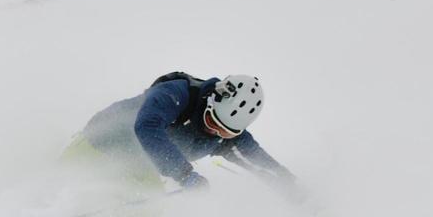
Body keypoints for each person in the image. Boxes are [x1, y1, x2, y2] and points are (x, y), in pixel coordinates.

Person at [65, 71, 299, 197]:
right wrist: (184, 174)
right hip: (100, 142)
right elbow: (147, 126)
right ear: (210, 102)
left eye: (224, 132)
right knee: (62, 180)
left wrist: (301, 196)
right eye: (211, 121)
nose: (213, 132)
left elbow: (263, 166)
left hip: (136, 168)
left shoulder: (224, 138)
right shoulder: (177, 94)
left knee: (146, 209)